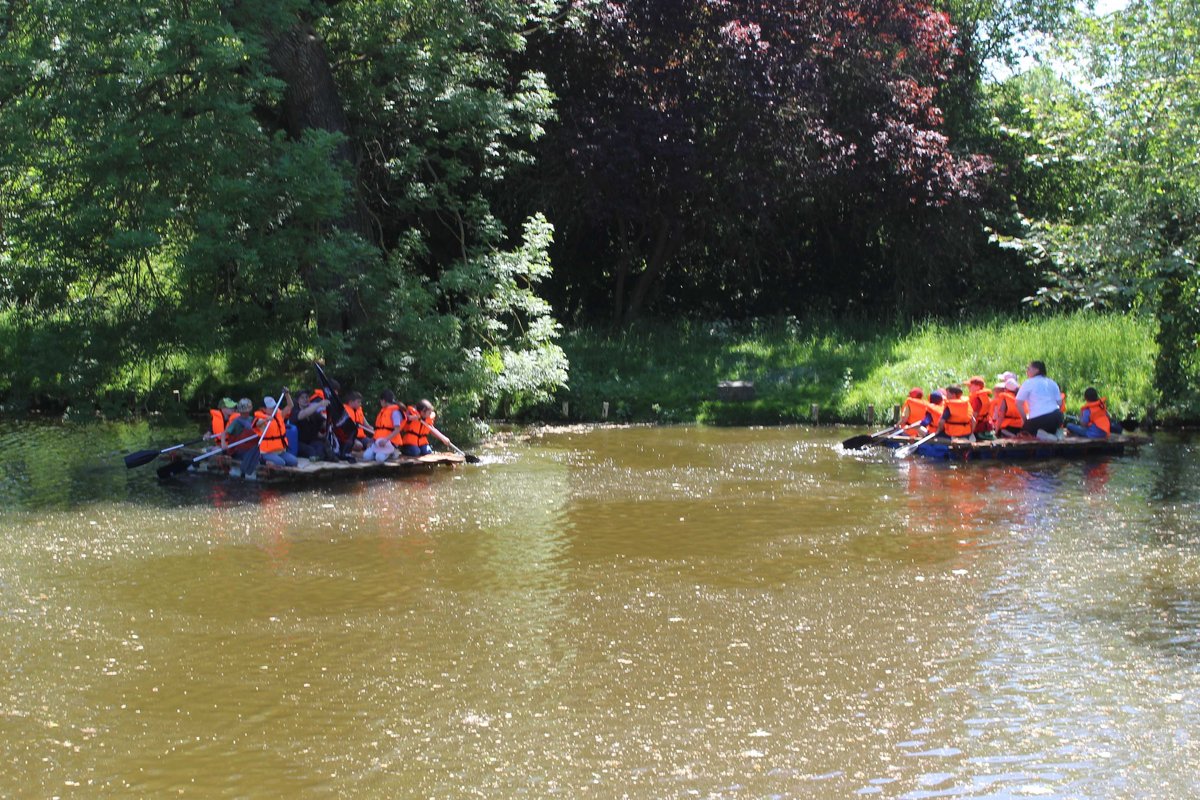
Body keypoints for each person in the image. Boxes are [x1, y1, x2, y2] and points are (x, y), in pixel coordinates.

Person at [1015, 360, 1064, 438]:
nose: (1026, 371)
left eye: (1029, 369)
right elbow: (1060, 403)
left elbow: (1018, 403)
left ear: (1037, 370)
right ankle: (1054, 433)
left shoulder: (1029, 383)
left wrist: (1025, 421)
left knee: (1025, 434)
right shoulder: (1052, 382)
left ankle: (1045, 436)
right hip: (1057, 417)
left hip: (1040, 419)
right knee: (1048, 428)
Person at [251, 392, 297, 470]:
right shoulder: (260, 418)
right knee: (281, 463)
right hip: (266, 452)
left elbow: (290, 405)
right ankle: (262, 460)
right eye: (271, 408)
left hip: (280, 451)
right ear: (263, 409)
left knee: (294, 461)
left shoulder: (280, 415)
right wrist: (266, 419)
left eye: (275, 406)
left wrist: (287, 394)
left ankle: (274, 460)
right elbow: (257, 423)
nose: (274, 409)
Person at [363, 390, 404, 462]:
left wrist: (385, 440)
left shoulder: (395, 412)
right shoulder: (383, 411)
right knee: (366, 456)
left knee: (379, 458)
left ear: (383, 401)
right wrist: (372, 440)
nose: (380, 403)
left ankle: (392, 452)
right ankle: (380, 453)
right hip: (379, 442)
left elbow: (397, 430)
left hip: (390, 442)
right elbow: (378, 431)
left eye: (380, 401)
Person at [291, 389, 333, 460]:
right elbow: (304, 414)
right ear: (298, 401)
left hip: (312, 441)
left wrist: (330, 422)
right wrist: (319, 404)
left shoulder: (314, 413)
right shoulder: (294, 411)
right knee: (311, 451)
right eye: (302, 398)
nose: (305, 399)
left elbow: (324, 423)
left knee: (322, 449)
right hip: (299, 443)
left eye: (307, 397)